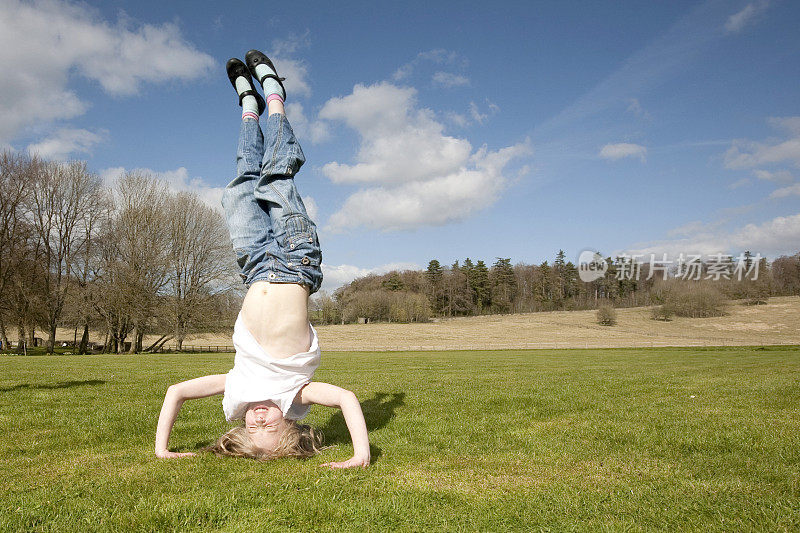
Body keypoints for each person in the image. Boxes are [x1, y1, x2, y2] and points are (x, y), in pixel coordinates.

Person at [154, 50, 370, 469]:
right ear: (289, 425)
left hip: (253, 265)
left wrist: (162, 448)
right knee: (275, 175)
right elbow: (346, 398)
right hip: (294, 258)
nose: (257, 420)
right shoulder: (295, 394)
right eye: (268, 429)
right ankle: (273, 95)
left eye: (251, 429)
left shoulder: (237, 390)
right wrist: (360, 454)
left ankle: (248, 109)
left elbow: (175, 391)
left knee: (238, 186)